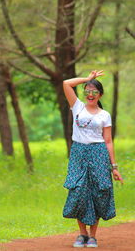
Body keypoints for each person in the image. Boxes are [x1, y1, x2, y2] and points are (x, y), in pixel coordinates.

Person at [62, 70, 123, 248]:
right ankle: (82, 234)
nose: (90, 94)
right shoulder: (77, 107)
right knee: (78, 191)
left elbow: (108, 141)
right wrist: (89, 79)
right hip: (79, 153)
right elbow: (66, 83)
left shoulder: (104, 115)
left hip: (98, 153)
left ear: (100, 95)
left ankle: (93, 236)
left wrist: (114, 167)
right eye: (87, 91)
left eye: (94, 91)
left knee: (97, 192)